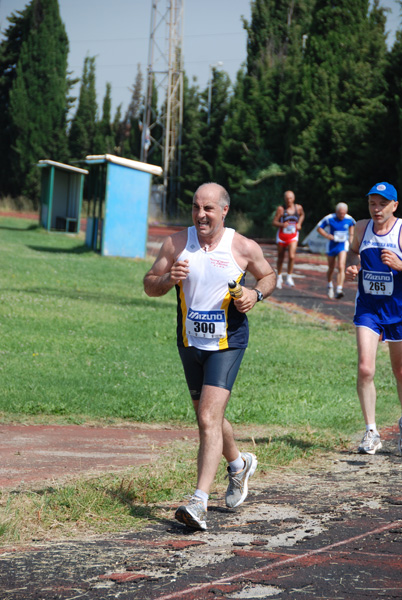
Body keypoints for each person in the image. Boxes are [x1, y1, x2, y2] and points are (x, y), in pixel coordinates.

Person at [143, 182, 276, 530]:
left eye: (208, 209)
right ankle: (239, 464)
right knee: (209, 418)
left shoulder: (242, 246)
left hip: (228, 341)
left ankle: (199, 502)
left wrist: (255, 295)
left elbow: (269, 275)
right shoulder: (175, 243)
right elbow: (149, 283)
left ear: (224, 211)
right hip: (189, 342)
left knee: (206, 418)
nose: (201, 215)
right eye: (196, 207)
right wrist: (168, 279)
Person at [346, 182, 402, 455]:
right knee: (366, 368)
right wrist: (353, 266)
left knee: (400, 372)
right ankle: (371, 431)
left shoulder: (401, 231)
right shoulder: (361, 227)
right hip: (368, 308)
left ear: (395, 205)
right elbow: (354, 251)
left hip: (399, 311)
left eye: (382, 203)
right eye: (372, 203)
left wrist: (400, 265)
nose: (376, 209)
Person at [317, 203, 356, 299]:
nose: (341, 215)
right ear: (336, 212)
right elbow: (319, 228)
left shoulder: (349, 219)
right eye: (340, 213)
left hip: (342, 245)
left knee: (341, 266)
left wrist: (351, 239)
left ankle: (339, 289)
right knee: (331, 267)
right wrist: (327, 235)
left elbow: (353, 229)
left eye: (343, 213)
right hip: (331, 245)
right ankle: (329, 285)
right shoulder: (329, 218)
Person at [272, 190, 305, 288]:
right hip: (282, 235)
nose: (289, 200)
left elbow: (302, 215)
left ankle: (289, 277)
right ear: (284, 199)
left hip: (293, 235)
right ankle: (279, 277)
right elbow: (274, 222)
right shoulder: (281, 209)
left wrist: (299, 223)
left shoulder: (298, 208)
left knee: (291, 256)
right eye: (287, 199)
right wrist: (282, 224)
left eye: (290, 198)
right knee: (281, 257)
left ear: (293, 198)